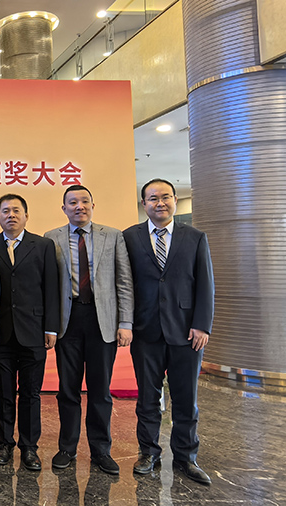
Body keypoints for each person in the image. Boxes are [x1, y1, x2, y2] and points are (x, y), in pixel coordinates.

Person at [123, 179, 214, 485]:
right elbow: (125, 283)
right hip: (145, 330)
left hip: (187, 332)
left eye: (165, 197)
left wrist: (202, 324)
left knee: (186, 398)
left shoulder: (195, 237)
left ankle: (186, 457)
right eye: (152, 198)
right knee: (147, 398)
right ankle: (148, 453)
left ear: (175, 200)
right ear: (144, 204)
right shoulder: (129, 237)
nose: (159, 203)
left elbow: (206, 283)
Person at [44, 185, 134, 475]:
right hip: (68, 320)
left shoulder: (113, 236)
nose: (79, 206)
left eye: (84, 201)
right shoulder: (51, 238)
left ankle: (101, 450)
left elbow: (124, 281)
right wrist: (49, 326)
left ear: (93, 205)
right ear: (64, 208)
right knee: (68, 389)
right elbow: (47, 287)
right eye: (72, 202)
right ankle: (67, 448)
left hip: (102, 319)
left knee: (100, 390)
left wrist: (125, 322)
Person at [0, 194, 60, 471]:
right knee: (3, 392)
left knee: (30, 393)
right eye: (5, 211)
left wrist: (51, 327)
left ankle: (29, 447)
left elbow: (51, 288)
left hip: (34, 331)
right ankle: (4, 444)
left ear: (26, 215)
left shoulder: (43, 245)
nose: (11, 215)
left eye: (16, 210)